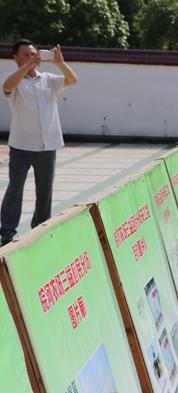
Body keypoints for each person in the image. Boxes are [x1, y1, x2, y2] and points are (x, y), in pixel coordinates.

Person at [1, 40, 77, 246]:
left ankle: (41, 228)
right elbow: (7, 87)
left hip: (47, 145)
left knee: (45, 191)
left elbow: (72, 80)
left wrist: (60, 63)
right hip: (21, 145)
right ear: (15, 58)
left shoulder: (48, 79)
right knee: (15, 189)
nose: (31, 57)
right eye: (25, 54)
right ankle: (7, 231)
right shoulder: (12, 78)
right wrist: (27, 66)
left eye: (33, 53)